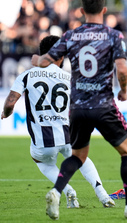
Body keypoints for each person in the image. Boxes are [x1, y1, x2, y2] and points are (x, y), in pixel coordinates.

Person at [31, 0, 127, 220]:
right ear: (104, 10)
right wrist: (124, 91)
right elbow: (122, 69)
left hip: (77, 108)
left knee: (77, 156)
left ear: (82, 11)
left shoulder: (70, 36)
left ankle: (56, 191)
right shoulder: (113, 35)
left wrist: (37, 61)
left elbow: (45, 61)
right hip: (104, 105)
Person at [1, 35, 115, 209]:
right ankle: (103, 194)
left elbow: (10, 102)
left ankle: (69, 191)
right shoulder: (69, 78)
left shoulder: (27, 75)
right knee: (81, 158)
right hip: (67, 136)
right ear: (60, 56)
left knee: (42, 162)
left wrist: (6, 113)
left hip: (42, 142)